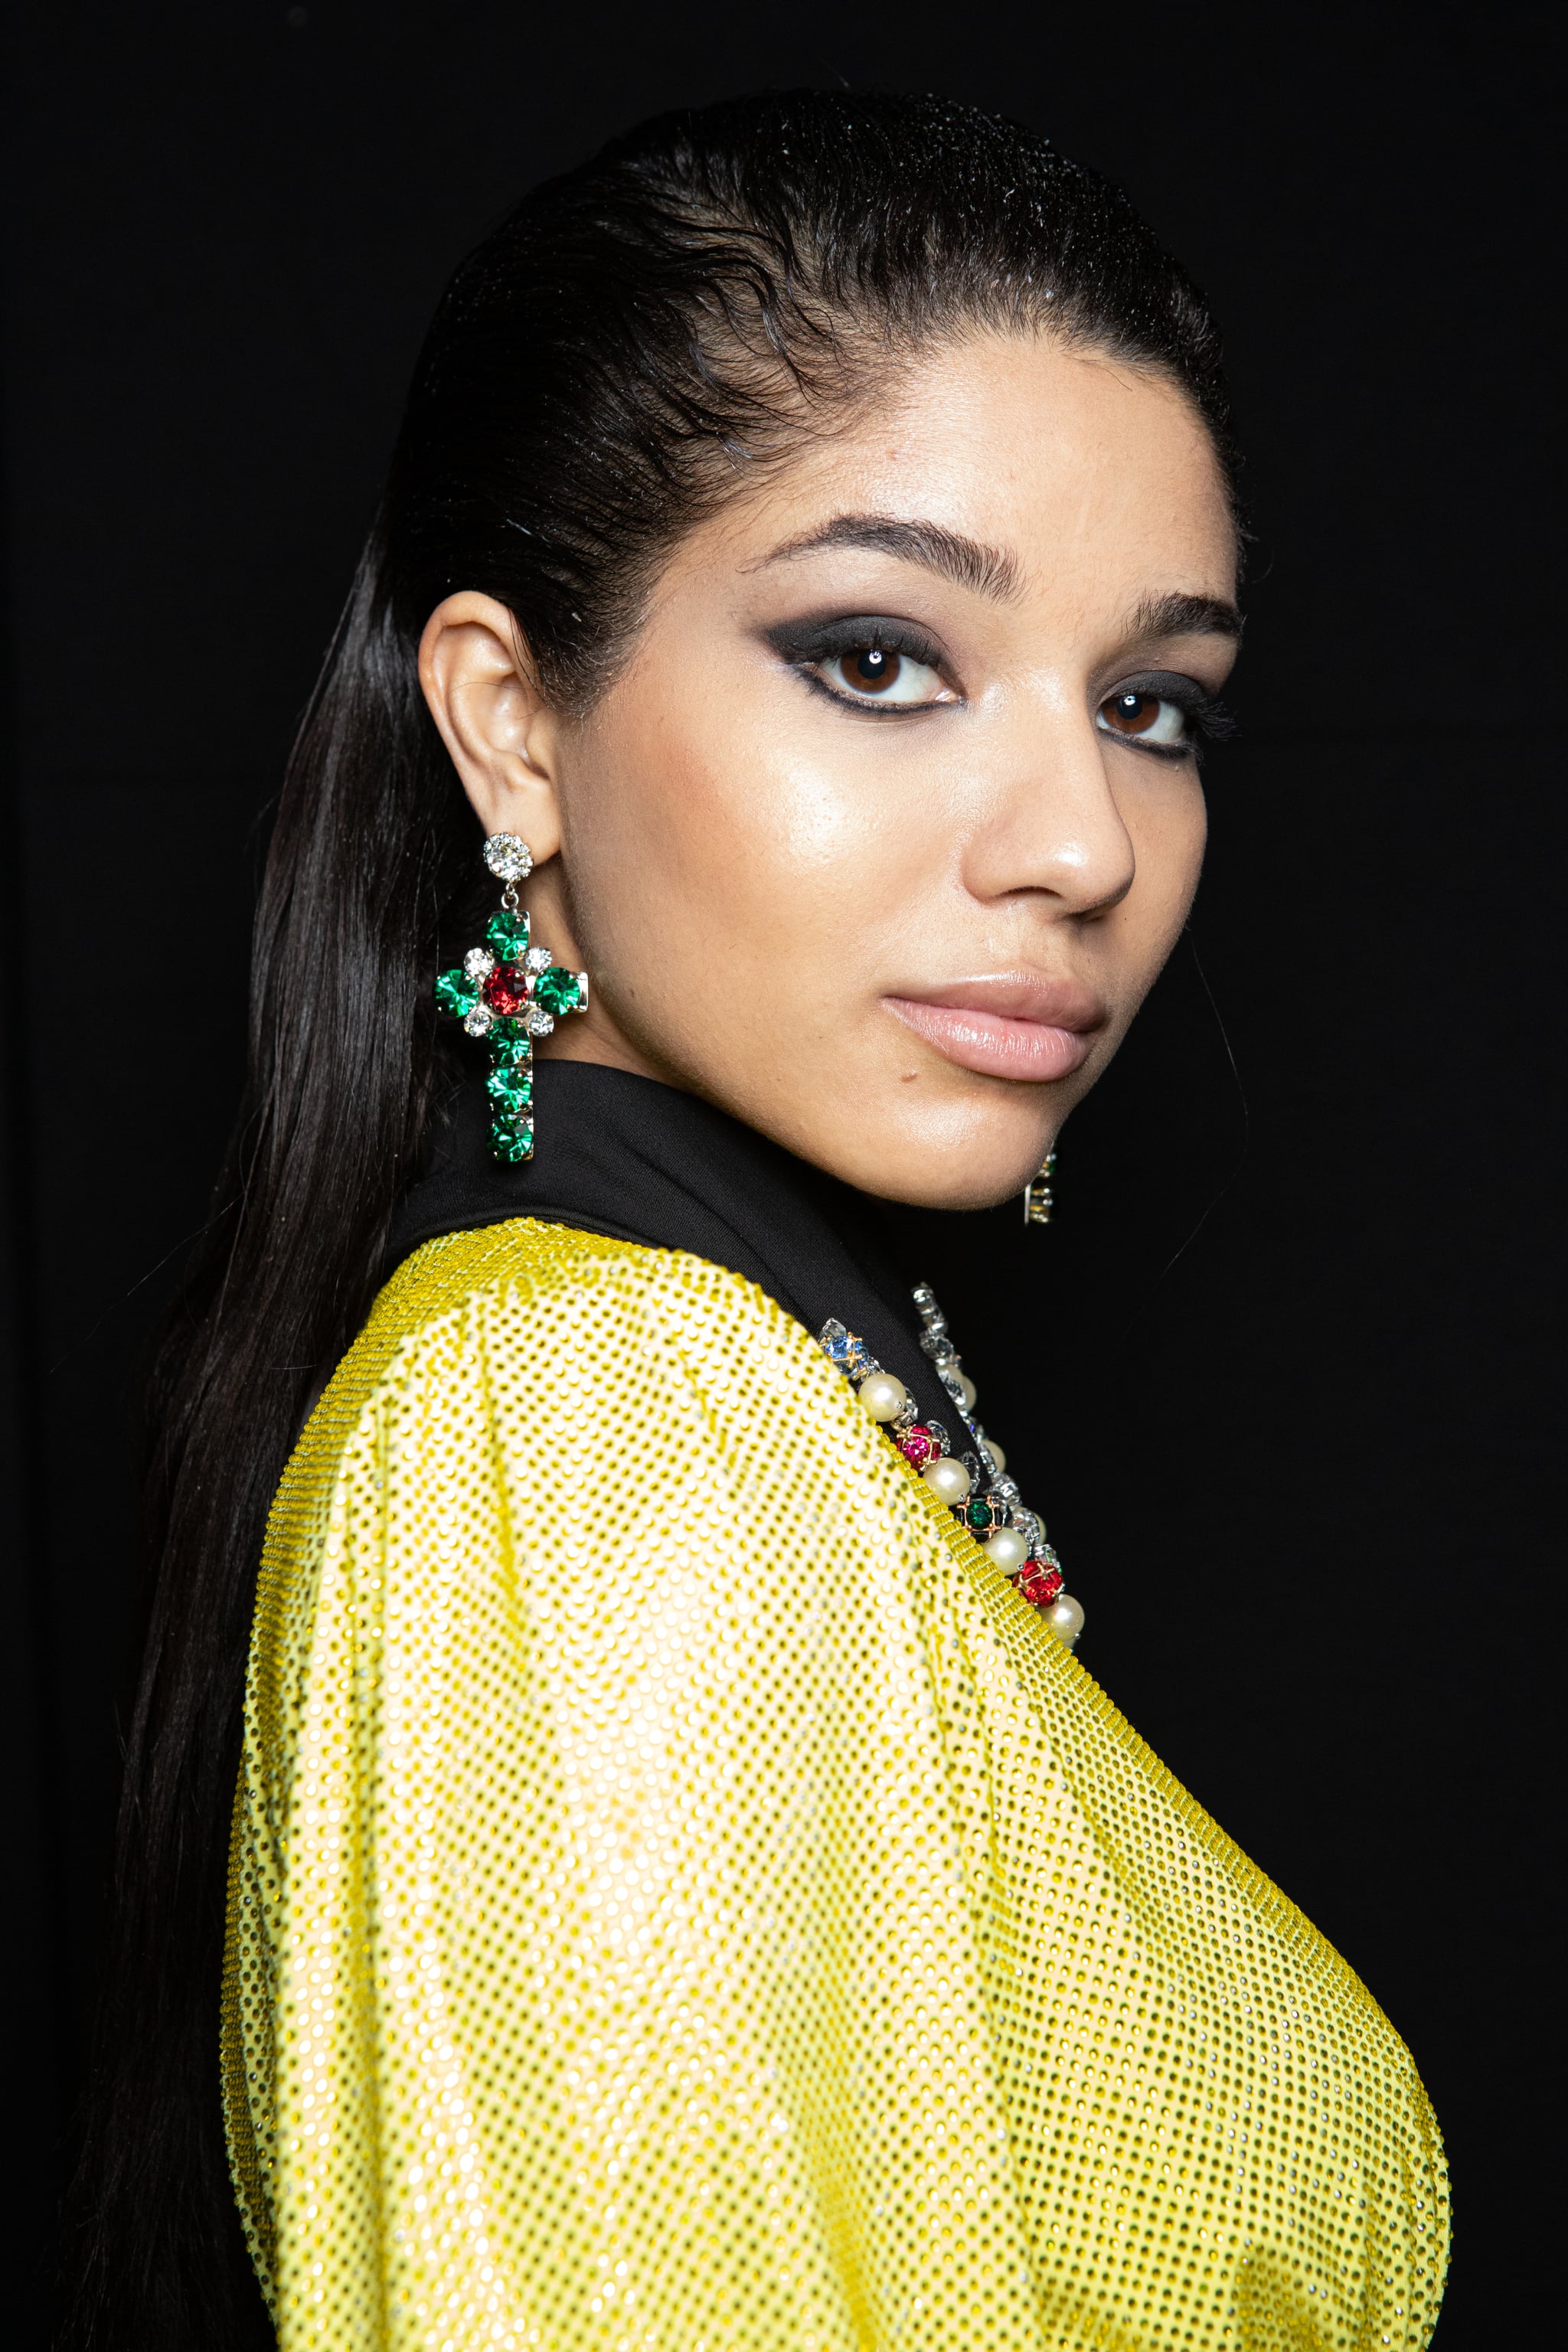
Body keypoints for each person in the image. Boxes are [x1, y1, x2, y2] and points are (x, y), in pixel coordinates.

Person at [65, 89, 1449, 2351]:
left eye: (1151, 703)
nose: (1082, 841)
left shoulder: (732, 1380)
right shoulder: (576, 1429)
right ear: (513, 730)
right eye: (883, 660)